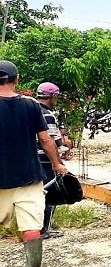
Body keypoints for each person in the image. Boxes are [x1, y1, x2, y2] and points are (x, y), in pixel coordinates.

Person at [0, 61, 68, 267]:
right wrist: (57, 164)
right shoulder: (30, 105)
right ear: (16, 79)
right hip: (29, 175)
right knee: (31, 226)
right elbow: (45, 139)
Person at [35, 82, 70, 240]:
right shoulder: (47, 115)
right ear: (53, 96)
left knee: (37, 195)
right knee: (50, 194)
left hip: (34, 159)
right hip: (45, 159)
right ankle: (44, 229)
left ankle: (37, 227)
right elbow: (50, 141)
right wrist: (58, 162)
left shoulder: (33, 110)